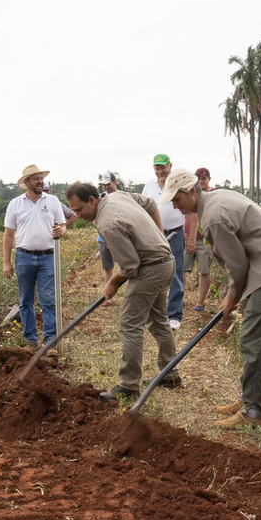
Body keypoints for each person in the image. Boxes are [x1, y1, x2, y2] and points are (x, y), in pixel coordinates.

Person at [162, 169, 261, 429]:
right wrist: (232, 294)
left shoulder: (213, 217)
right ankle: (250, 399)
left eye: (176, 199)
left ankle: (253, 412)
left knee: (255, 341)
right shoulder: (212, 202)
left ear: (192, 191)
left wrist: (232, 295)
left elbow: (237, 265)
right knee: (253, 338)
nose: (174, 205)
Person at [65, 182, 180, 400]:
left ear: (92, 200)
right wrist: (160, 236)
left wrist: (113, 282)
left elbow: (130, 266)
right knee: (158, 319)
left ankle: (128, 386)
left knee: (130, 323)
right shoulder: (116, 196)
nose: (78, 215)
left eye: (80, 210)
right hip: (166, 262)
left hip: (150, 268)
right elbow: (149, 203)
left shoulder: (108, 224)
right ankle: (170, 374)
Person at [3, 165, 68, 354]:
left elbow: (63, 226)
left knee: (49, 300)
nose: (41, 182)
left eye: (41, 178)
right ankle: (31, 340)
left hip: (48, 257)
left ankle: (50, 343)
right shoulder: (15, 204)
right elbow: (8, 235)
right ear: (26, 183)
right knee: (26, 300)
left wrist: (61, 231)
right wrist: (6, 262)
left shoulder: (53, 201)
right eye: (36, 179)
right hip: (23, 257)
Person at [141, 154, 186, 329]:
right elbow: (143, 208)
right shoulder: (149, 186)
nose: (160, 171)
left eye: (163, 167)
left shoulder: (178, 184)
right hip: (154, 236)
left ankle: (174, 314)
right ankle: (153, 312)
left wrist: (189, 236)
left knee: (176, 273)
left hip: (175, 234)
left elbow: (191, 211)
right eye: (157, 168)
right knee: (152, 272)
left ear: (170, 166)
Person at [184, 167, 216, 311]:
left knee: (204, 270)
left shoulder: (213, 194)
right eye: (198, 178)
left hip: (204, 239)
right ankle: (179, 299)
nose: (201, 181)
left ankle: (200, 302)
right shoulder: (191, 192)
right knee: (182, 269)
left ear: (209, 179)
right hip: (187, 236)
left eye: (203, 178)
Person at [96, 171, 119, 305]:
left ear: (115, 182)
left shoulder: (123, 196)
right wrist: (99, 226)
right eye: (104, 185)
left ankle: (130, 297)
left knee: (126, 267)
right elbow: (94, 216)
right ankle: (109, 297)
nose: (106, 187)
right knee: (108, 268)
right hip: (103, 238)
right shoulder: (100, 197)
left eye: (108, 184)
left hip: (119, 238)